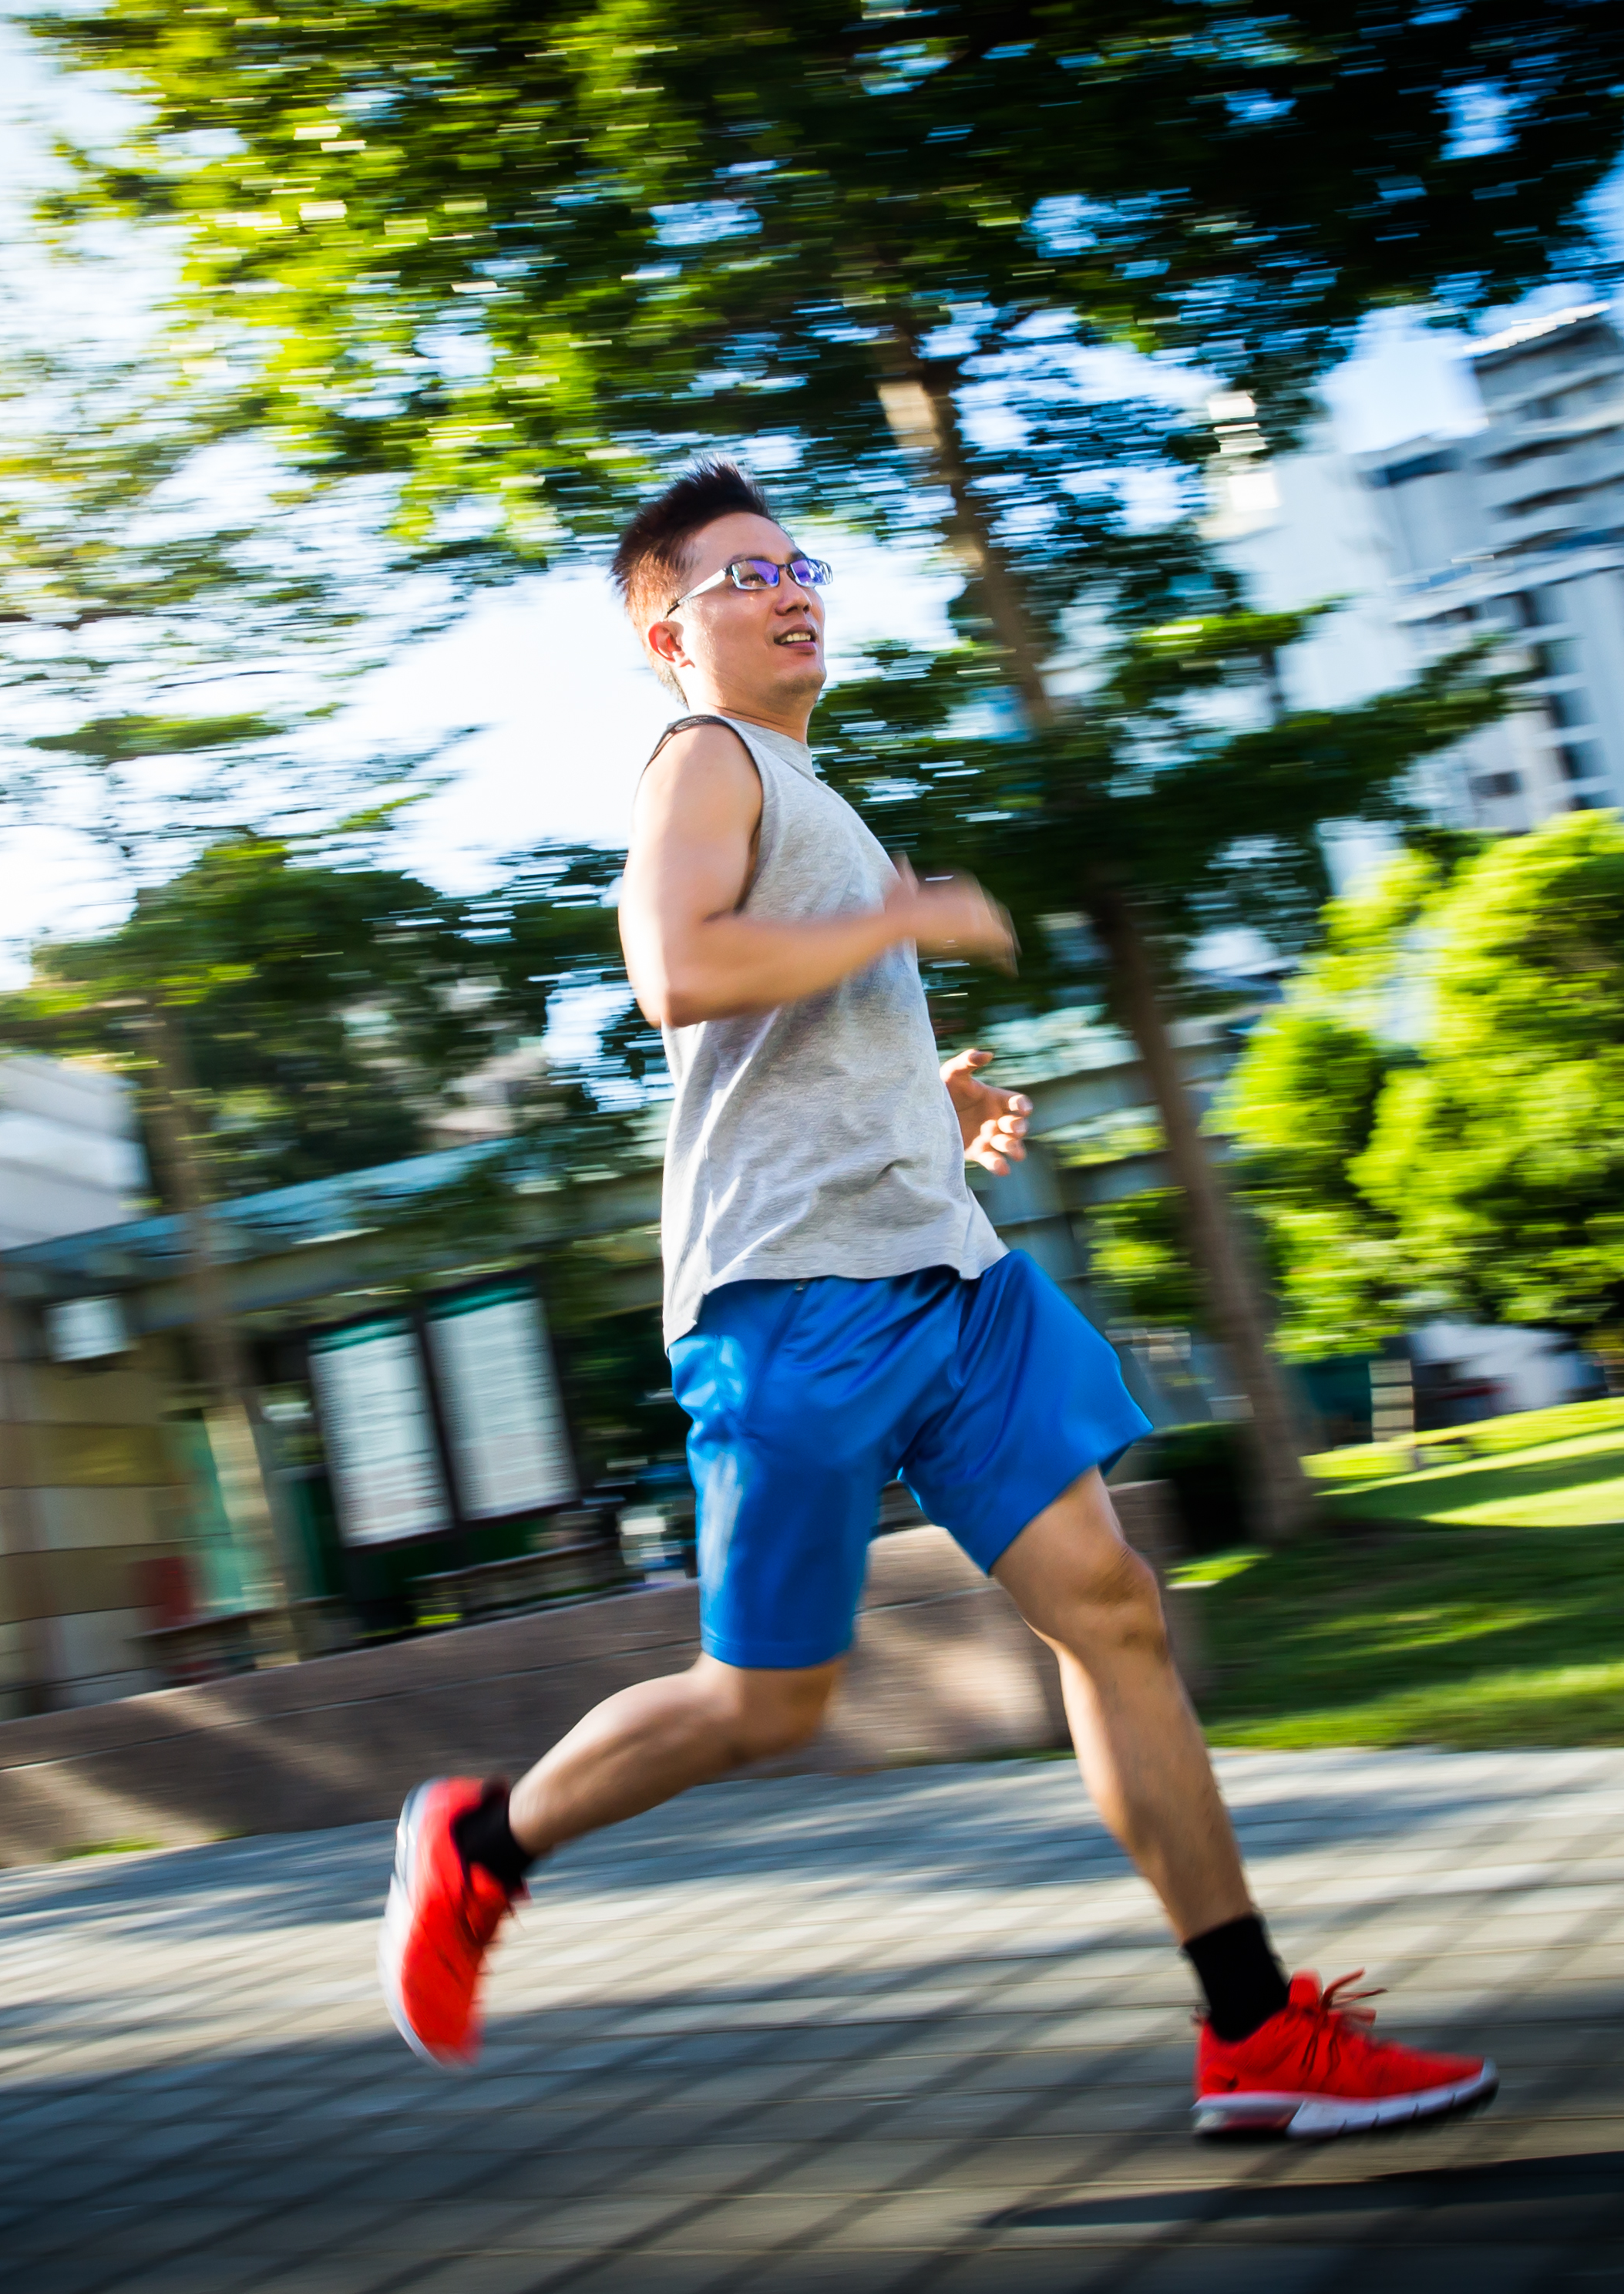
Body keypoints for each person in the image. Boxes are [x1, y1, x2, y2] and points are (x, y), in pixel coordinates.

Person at [377, 460, 1495, 2141]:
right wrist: (902, 921)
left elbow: (801, 1020)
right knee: (768, 1700)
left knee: (1109, 1608)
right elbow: (673, 970)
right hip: (791, 1302)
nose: (790, 587)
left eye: (800, 562)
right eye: (745, 574)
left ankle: (1251, 2028)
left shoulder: (821, 797)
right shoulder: (700, 759)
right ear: (670, 629)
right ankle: (483, 1843)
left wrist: (932, 1099)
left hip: (943, 1278)